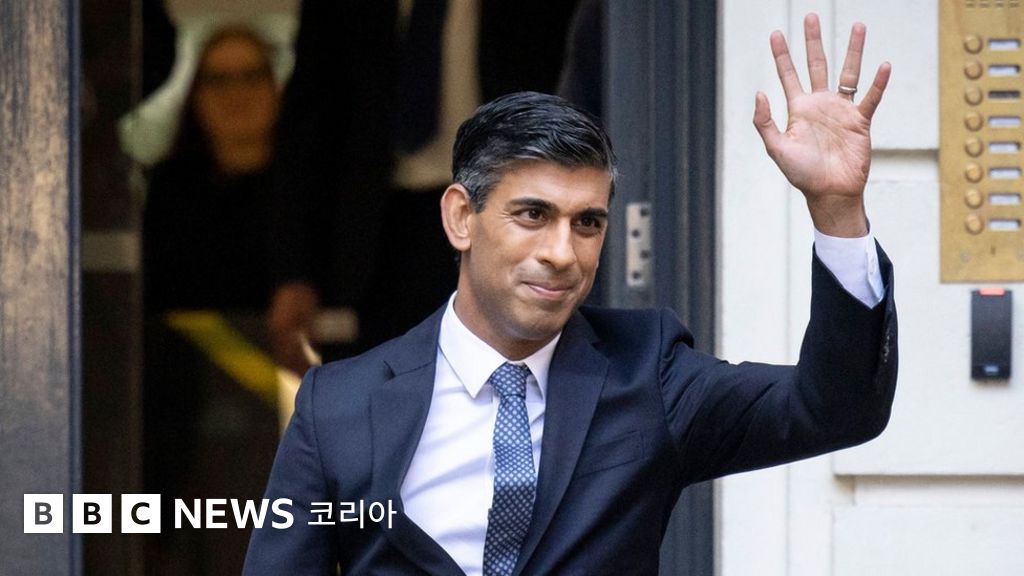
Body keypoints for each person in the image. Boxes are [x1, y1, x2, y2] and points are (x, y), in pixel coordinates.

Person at [244, 14, 896, 575]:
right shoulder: (338, 406)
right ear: (461, 218)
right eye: (533, 215)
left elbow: (836, 409)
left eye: (587, 223)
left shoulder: (648, 375)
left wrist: (837, 211)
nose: (562, 252)